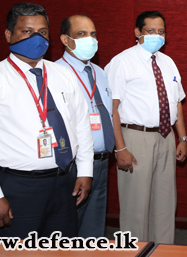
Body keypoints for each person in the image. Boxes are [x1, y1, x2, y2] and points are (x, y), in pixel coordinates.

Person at [0, 2, 94, 238]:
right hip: (17, 188)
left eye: (42, 32)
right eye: (27, 31)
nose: (36, 38)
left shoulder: (63, 75)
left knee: (62, 253)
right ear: (9, 34)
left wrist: (85, 170)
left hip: (65, 184)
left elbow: (81, 125)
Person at [105, 10, 187, 244]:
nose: (156, 36)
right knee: (135, 206)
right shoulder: (122, 62)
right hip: (135, 138)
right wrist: (120, 148)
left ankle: (163, 250)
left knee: (164, 203)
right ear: (137, 32)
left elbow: (177, 103)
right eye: (150, 31)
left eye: (161, 31)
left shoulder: (168, 62)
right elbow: (111, 109)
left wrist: (183, 138)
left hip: (166, 137)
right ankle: (134, 251)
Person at [57, 15, 114, 238]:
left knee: (94, 231)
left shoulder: (100, 73)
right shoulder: (56, 73)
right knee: (69, 228)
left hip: (101, 162)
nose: (90, 40)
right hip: (73, 165)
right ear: (65, 39)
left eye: (93, 34)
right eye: (81, 34)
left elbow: (109, 113)